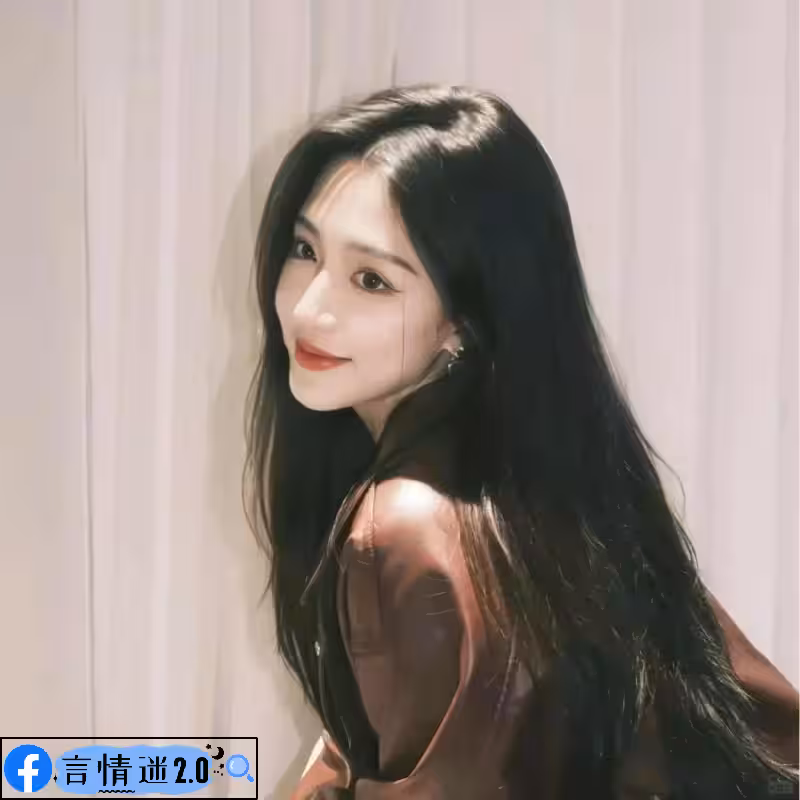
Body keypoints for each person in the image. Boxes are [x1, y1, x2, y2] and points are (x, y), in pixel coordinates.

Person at [244, 85, 799, 799]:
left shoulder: (406, 527)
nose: (310, 306)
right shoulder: (551, 482)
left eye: (372, 280)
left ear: (464, 322)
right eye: (304, 249)